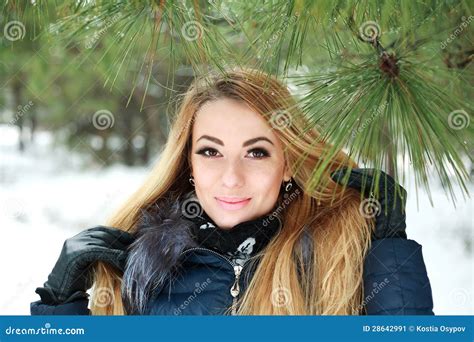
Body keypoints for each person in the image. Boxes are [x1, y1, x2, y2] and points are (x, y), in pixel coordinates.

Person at [30, 68, 434, 315]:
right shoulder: (140, 271)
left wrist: (389, 252)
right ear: (188, 161)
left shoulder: (338, 259)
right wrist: (58, 304)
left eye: (256, 152)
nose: (231, 178)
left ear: (289, 163)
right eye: (210, 151)